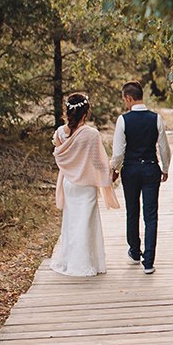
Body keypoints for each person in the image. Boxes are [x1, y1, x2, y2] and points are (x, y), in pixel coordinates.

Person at [49, 92, 119, 277]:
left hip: (68, 182)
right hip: (86, 184)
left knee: (71, 222)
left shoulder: (60, 133)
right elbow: (97, 162)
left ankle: (69, 261)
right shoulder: (91, 134)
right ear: (86, 112)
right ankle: (86, 263)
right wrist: (110, 173)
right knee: (86, 223)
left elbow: (62, 159)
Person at [110, 81, 170, 275]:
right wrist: (165, 168)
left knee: (132, 211)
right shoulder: (156, 118)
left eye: (124, 100)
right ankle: (149, 262)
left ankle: (135, 252)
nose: (124, 103)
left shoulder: (123, 120)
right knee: (151, 215)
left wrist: (114, 168)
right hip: (151, 168)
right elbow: (164, 147)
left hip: (131, 170)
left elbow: (118, 152)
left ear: (129, 98)